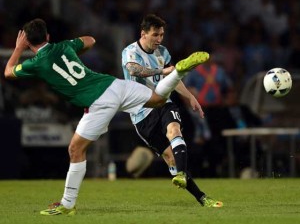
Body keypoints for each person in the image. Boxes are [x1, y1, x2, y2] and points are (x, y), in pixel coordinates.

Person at [4, 18, 209, 216]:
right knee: (157, 99)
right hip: (113, 85)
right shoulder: (64, 46)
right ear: (48, 36)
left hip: (97, 102)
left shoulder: (36, 63)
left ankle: (67, 204)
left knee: (76, 149)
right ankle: (176, 73)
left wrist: (19, 48)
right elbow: (90, 40)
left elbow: (8, 72)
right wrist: (74, 50)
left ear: (29, 41)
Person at [121, 14, 223, 207]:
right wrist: (163, 71)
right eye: (155, 35)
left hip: (162, 102)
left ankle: (201, 196)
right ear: (143, 34)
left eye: (161, 35)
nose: (159, 40)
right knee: (170, 158)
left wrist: (190, 97)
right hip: (140, 112)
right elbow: (134, 70)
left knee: (174, 130)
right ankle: (191, 185)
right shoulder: (130, 51)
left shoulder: (163, 52)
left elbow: (172, 80)